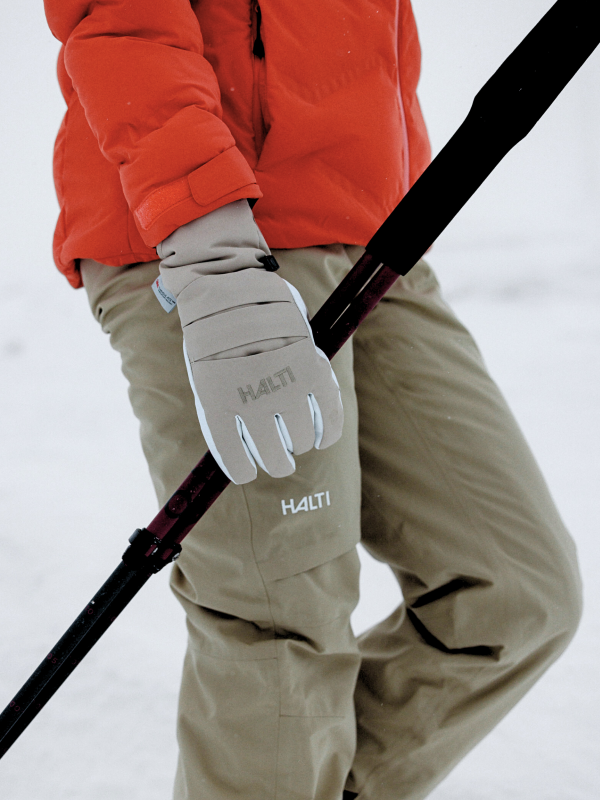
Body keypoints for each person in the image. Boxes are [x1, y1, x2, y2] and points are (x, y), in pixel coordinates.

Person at [43, 1, 582, 798]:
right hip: (212, 224)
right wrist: (213, 256)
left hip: (372, 225)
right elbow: (121, 18)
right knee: (278, 631)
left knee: (514, 590)